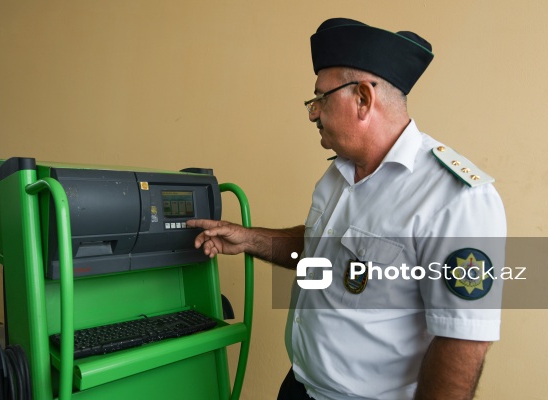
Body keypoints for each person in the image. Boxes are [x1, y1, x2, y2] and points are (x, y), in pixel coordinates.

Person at [187, 17, 506, 400]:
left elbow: (463, 342)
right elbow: (320, 251)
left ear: (363, 99)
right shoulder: (338, 175)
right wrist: (251, 239)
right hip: (301, 387)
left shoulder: (454, 198)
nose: (312, 112)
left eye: (321, 98)